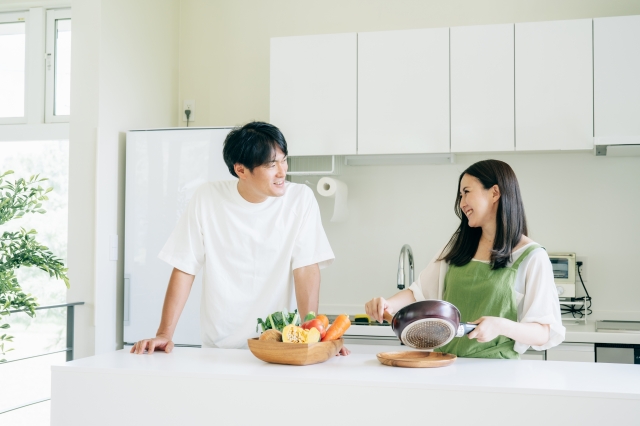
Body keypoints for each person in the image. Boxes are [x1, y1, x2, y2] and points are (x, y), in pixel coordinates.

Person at [131, 122, 346, 354]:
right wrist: (164, 334)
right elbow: (185, 266)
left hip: (280, 346)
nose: (282, 171)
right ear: (241, 170)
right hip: (219, 348)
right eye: (271, 164)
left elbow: (306, 268)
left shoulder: (300, 199)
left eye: (284, 160)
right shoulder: (207, 198)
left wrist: (314, 336)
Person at [365, 159, 565, 359]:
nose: (461, 203)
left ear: (495, 193)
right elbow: (418, 293)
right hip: (446, 364)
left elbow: (543, 332)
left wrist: (501, 326)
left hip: (499, 369)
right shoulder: (458, 247)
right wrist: (387, 304)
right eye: (460, 196)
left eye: (467, 192)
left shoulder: (532, 256)